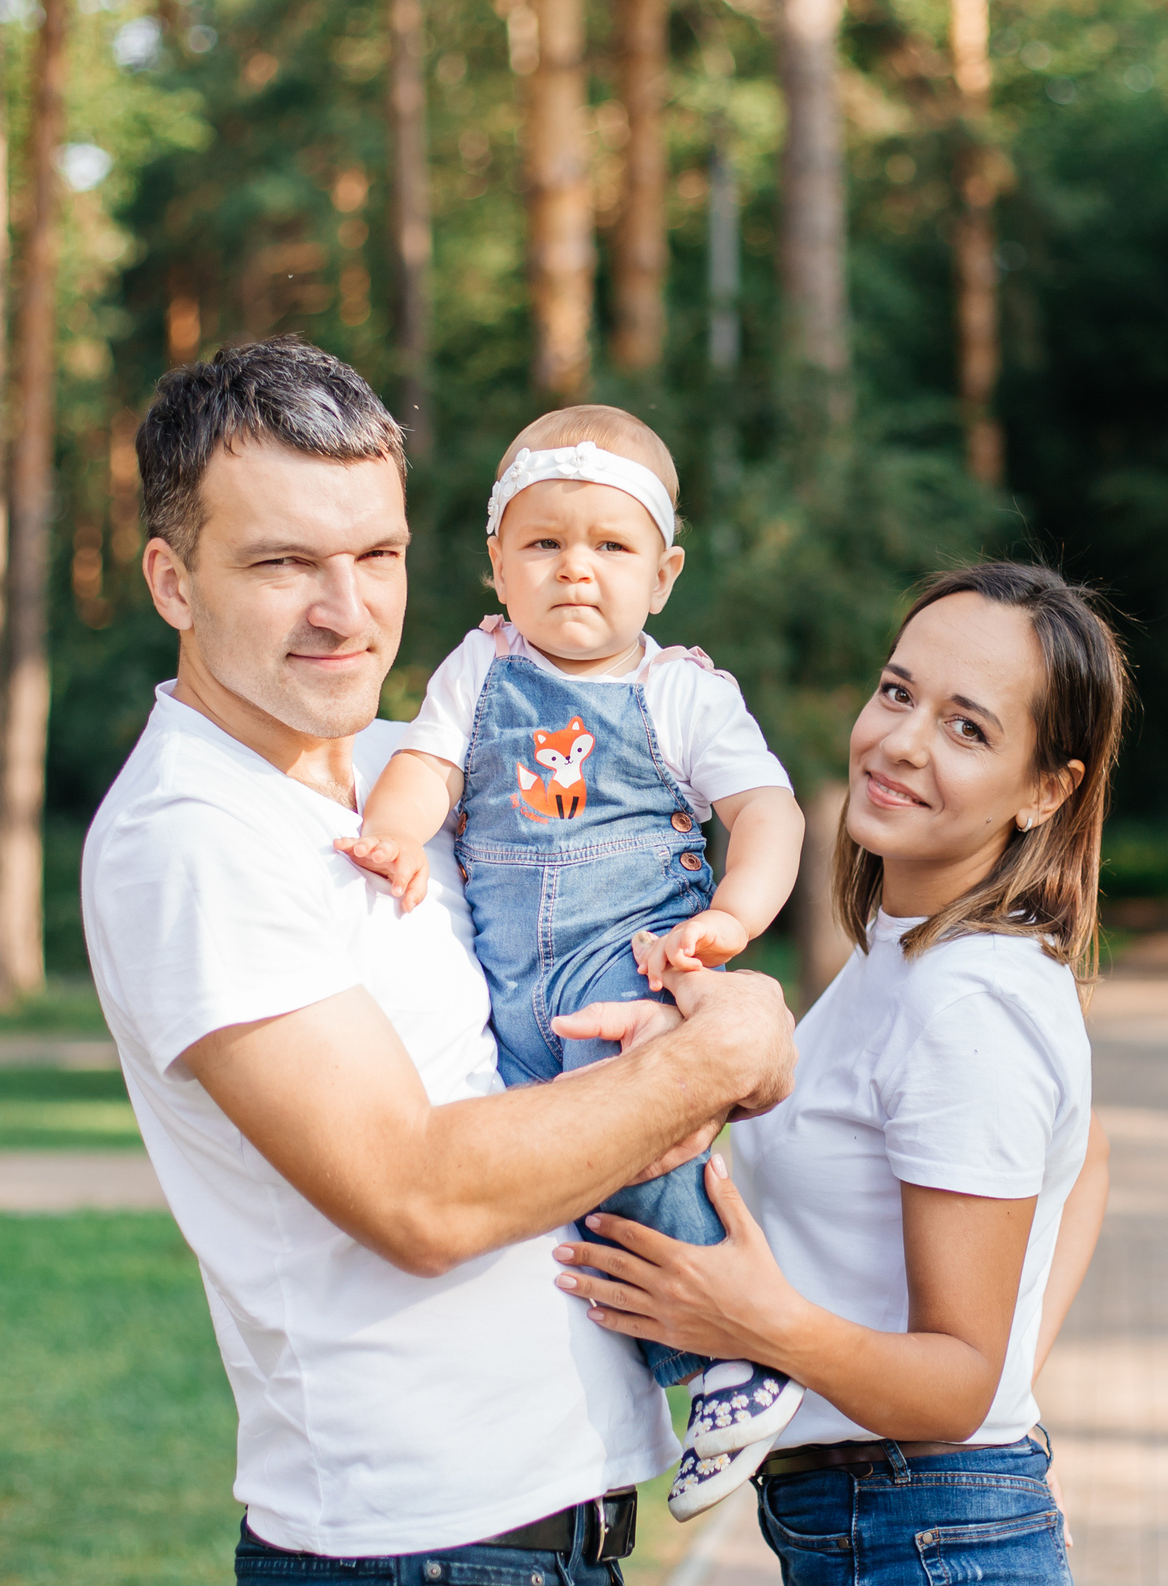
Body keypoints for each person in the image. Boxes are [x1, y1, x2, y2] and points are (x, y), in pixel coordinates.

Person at [79, 337, 794, 1586]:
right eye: (284, 562)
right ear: (173, 578)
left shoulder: (428, 764)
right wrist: (718, 1053)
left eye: (379, 555)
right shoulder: (194, 838)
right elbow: (414, 1195)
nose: (346, 608)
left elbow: (648, 852)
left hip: (529, 1557)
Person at [555, 562, 1125, 1586]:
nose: (901, 741)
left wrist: (760, 1323)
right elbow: (1091, 1159)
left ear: (1044, 790)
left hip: (925, 1558)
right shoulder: (909, 958)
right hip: (914, 1544)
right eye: (896, 691)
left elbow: (957, 1381)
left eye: (966, 726)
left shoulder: (965, 1000)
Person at [337, 405, 812, 1518]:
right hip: (514, 984)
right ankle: (624, 1376)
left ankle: (736, 1356)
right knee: (552, 1177)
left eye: (611, 545)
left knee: (647, 1155)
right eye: (543, 544)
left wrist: (733, 920)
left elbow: (769, 810)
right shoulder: (477, 666)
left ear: (664, 572)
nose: (576, 571)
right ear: (497, 562)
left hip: (627, 957)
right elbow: (425, 766)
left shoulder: (682, 691)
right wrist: (397, 834)